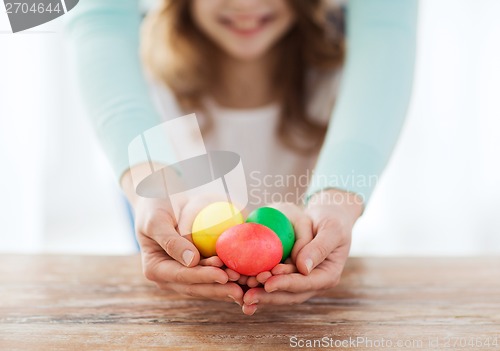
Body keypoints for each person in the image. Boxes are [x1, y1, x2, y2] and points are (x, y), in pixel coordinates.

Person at [66, 0, 417, 316]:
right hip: (180, 294)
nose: (244, 4)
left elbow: (388, 23)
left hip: (309, 296)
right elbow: (97, 15)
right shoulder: (144, 81)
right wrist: (156, 189)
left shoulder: (342, 79)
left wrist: (336, 204)